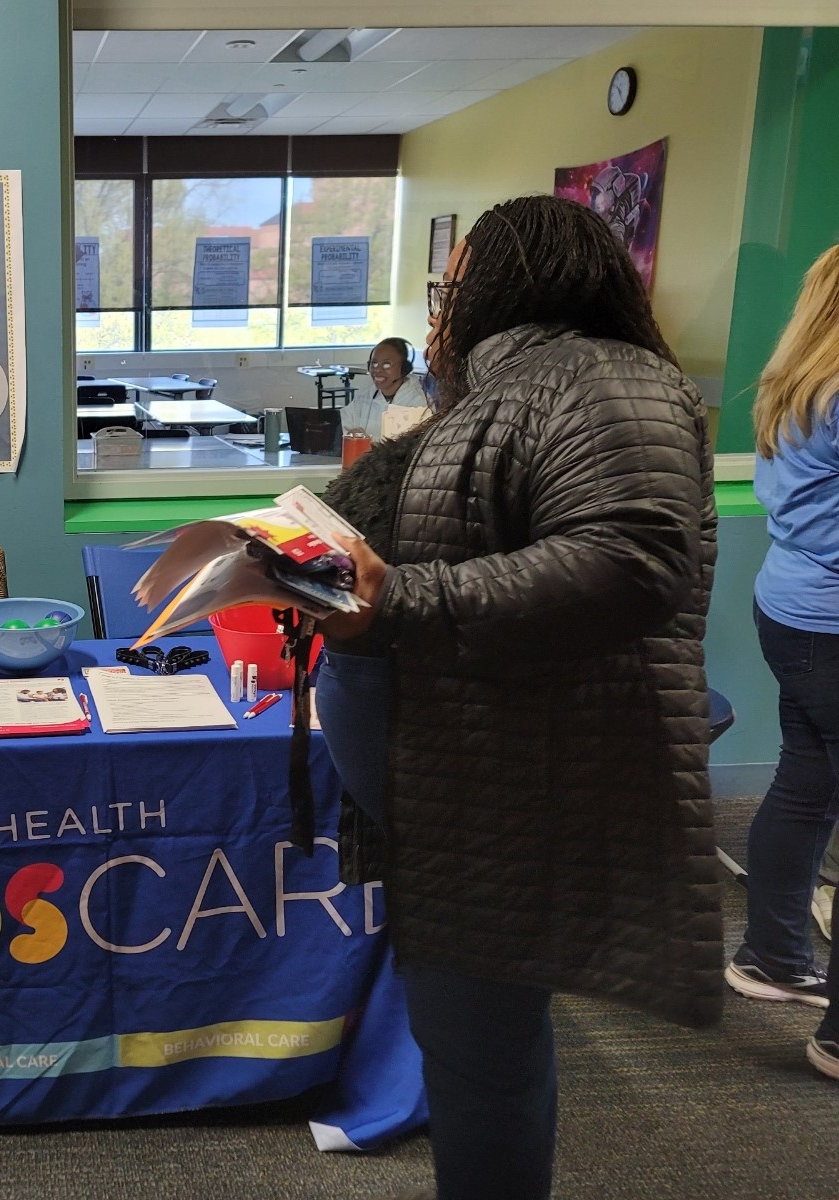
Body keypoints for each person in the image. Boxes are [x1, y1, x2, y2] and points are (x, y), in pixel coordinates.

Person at [315, 194, 720, 1200]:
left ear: (499, 284)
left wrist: (398, 597)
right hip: (469, 767)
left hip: (508, 776)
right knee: (469, 1045)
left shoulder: (599, 379)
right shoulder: (516, 388)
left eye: (449, 288)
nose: (440, 311)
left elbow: (628, 560)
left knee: (479, 1049)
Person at [727, 243, 839, 1081]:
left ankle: (773, 957)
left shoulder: (793, 385)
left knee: (805, 783)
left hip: (790, 609)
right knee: (807, 784)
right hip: (830, 623)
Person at [337, 336, 430, 442]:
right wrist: (351, 436)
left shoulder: (419, 403)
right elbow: (345, 431)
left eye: (386, 364)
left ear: (404, 368)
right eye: (374, 364)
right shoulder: (362, 402)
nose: (378, 370)